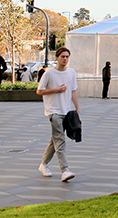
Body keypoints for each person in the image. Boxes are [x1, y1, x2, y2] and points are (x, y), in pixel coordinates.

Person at [36, 47, 79, 182]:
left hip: (66, 111)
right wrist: (56, 90)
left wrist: (77, 109)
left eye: (67, 57)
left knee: (55, 139)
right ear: (57, 58)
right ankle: (65, 170)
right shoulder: (49, 74)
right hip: (53, 111)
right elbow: (39, 91)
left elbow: (73, 91)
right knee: (60, 140)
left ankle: (43, 164)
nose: (65, 59)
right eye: (62, 57)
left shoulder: (71, 73)